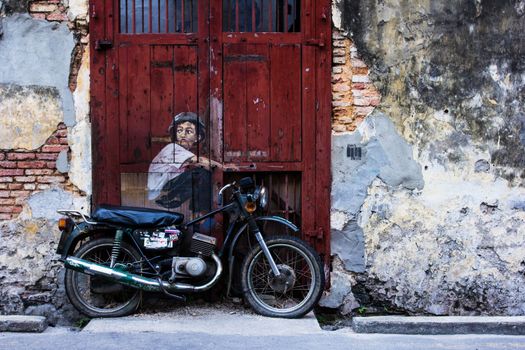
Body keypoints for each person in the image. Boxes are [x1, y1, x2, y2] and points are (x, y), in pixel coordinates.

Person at [147, 112, 217, 213]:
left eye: (188, 131)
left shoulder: (182, 151)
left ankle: (195, 212)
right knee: (201, 174)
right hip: (162, 189)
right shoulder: (173, 148)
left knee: (198, 175)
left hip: (165, 185)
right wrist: (224, 167)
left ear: (198, 137)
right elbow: (201, 161)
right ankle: (197, 212)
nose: (182, 134)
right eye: (179, 130)